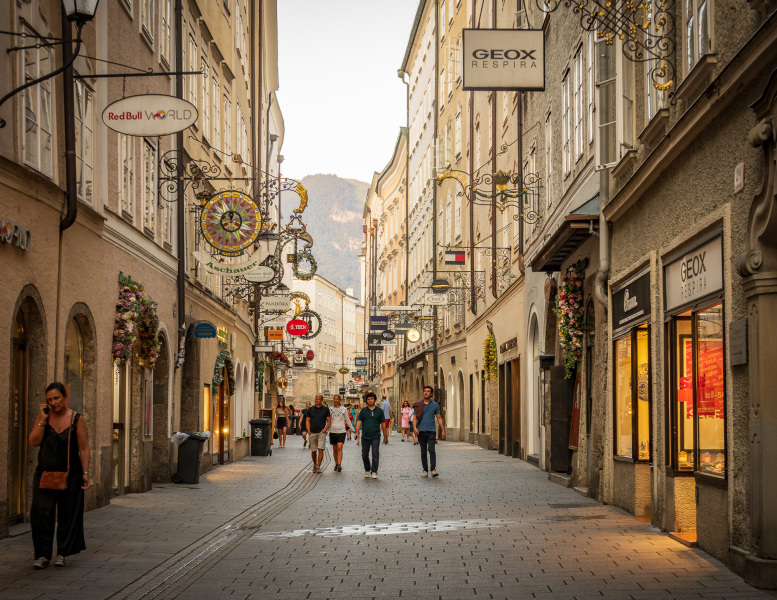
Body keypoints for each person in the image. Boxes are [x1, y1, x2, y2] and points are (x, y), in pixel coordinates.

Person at [28, 382, 91, 569]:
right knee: (41, 513)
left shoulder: (76, 419)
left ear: (64, 398)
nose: (53, 402)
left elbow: (84, 448)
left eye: (56, 398)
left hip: (70, 474)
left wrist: (86, 473)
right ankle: (42, 555)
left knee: (67, 514)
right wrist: (42, 418)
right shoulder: (44, 418)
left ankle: (62, 553)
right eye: (49, 399)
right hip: (45, 474)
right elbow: (34, 441)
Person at [414, 385, 446, 478]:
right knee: (423, 451)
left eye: (428, 391)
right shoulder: (418, 404)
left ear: (431, 394)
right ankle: (425, 470)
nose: (426, 392)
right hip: (421, 431)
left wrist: (443, 430)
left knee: (432, 450)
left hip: (431, 431)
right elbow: (415, 417)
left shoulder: (435, 405)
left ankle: (433, 469)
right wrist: (415, 428)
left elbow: (439, 417)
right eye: (425, 391)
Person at [356, 392, 387, 479]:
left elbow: (383, 424)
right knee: (364, 454)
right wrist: (357, 431)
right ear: (366, 400)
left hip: (376, 436)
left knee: (375, 454)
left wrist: (385, 436)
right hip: (365, 436)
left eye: (371, 399)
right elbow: (359, 421)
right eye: (368, 399)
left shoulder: (379, 411)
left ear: (374, 399)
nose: (370, 400)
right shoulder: (363, 411)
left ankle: (374, 471)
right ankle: (367, 469)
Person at [328, 395, 353, 472]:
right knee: (335, 449)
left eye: (337, 399)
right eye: (334, 399)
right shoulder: (330, 409)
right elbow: (328, 420)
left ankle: (339, 464)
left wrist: (352, 429)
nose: (335, 400)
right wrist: (326, 428)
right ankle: (336, 463)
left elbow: (347, 420)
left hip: (341, 431)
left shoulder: (344, 409)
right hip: (333, 430)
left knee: (339, 447)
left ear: (339, 400)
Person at [306, 395, 330, 473]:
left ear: (322, 400)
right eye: (316, 399)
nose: (317, 400)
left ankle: (318, 466)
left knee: (321, 449)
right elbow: (307, 420)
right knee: (313, 450)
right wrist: (309, 431)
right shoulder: (310, 409)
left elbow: (329, 421)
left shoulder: (325, 409)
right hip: (312, 432)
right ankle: (315, 464)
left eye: (318, 399)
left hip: (321, 432)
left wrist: (325, 429)